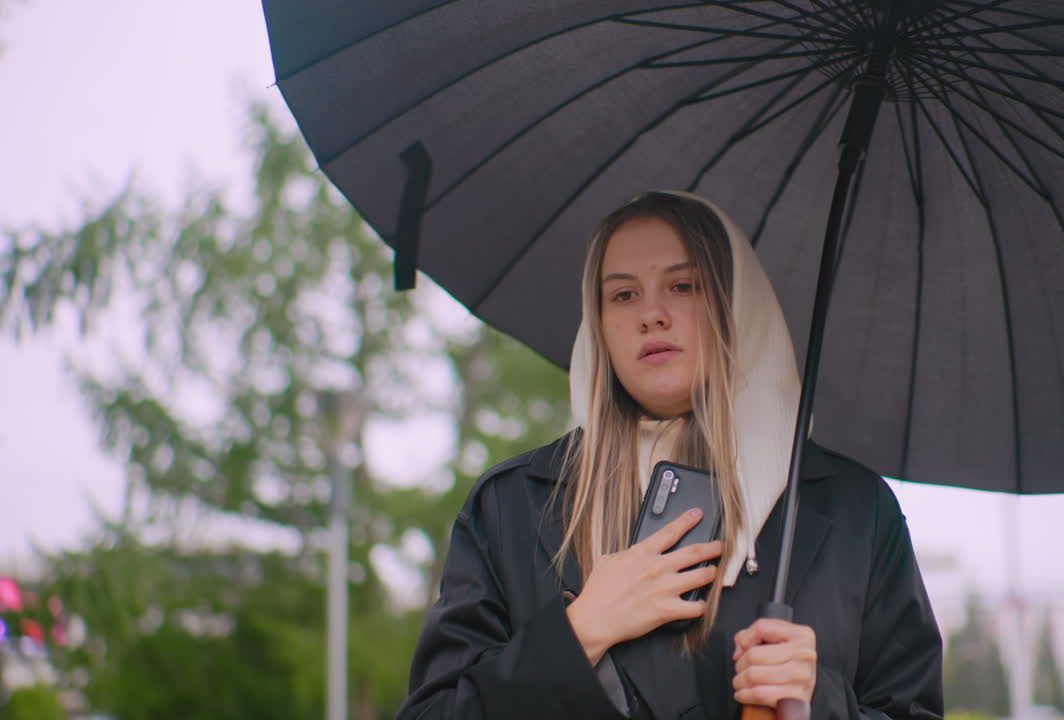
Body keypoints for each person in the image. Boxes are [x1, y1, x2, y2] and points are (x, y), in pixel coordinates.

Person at [396, 192, 944, 720]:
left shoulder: (854, 511)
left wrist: (817, 701)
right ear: (599, 326)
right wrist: (579, 632)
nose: (651, 315)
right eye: (623, 294)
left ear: (737, 306)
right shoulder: (512, 506)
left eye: (683, 286)